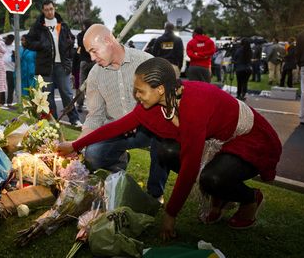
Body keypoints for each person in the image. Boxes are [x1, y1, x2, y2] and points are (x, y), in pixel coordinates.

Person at [58, 57, 282, 240]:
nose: (136, 96)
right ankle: (221, 197)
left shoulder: (194, 106)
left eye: (141, 91)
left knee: (211, 178)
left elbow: (190, 166)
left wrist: (170, 214)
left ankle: (250, 199)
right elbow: (117, 127)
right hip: (218, 136)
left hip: (248, 138)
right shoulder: (154, 104)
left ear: (161, 89)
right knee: (166, 151)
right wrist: (75, 144)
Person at [76, 24, 169, 203]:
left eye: (94, 51)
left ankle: (155, 193)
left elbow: (162, 104)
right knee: (92, 154)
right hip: (116, 132)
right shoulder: (95, 74)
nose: (92, 58)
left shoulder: (146, 62)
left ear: (108, 40)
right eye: (89, 53)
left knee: (165, 146)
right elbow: (95, 115)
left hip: (149, 129)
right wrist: (78, 144)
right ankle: (118, 163)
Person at [25, 0, 82, 127]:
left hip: (62, 65)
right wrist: (41, 45)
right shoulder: (38, 26)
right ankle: (53, 121)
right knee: (48, 96)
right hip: (45, 66)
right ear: (43, 11)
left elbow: (71, 39)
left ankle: (74, 119)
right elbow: (27, 41)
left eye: (51, 9)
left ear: (54, 8)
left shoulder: (63, 25)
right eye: (46, 9)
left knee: (67, 93)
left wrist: (68, 47)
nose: (49, 12)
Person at [76, 19, 93, 112]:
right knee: (93, 84)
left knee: (82, 84)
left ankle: (79, 104)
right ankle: (93, 105)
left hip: (83, 61)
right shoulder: (93, 35)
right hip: (93, 61)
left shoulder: (80, 35)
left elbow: (80, 45)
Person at [2, 34, 15, 107]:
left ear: (12, 40)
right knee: (2, 85)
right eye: (6, 39)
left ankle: (9, 102)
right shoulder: (2, 45)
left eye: (8, 40)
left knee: (11, 86)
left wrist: (14, 54)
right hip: (2, 68)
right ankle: (2, 101)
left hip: (11, 68)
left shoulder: (14, 47)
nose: (6, 41)